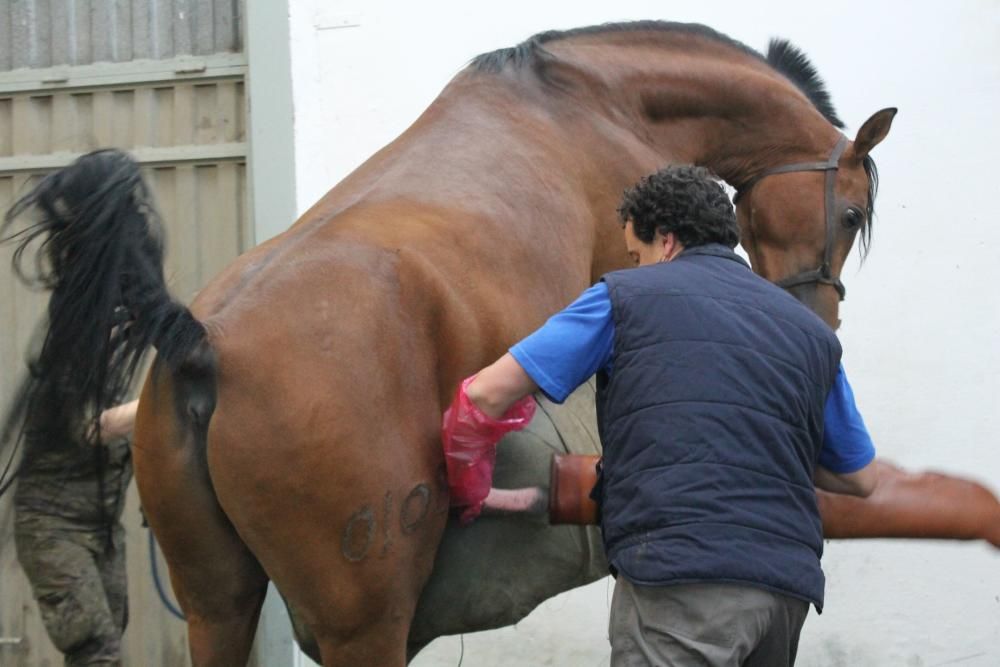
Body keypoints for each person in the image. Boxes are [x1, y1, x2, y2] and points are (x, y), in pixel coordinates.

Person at [441, 165, 878, 666]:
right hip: (784, 590)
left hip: (681, 576)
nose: (637, 266)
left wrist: (467, 484)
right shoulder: (812, 334)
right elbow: (859, 476)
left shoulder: (625, 298)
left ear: (666, 242)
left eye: (637, 254)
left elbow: (486, 396)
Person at [13, 393, 136, 666]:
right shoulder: (64, 372)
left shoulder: (114, 380)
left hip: (104, 532)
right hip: (53, 530)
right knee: (95, 645)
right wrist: (157, 400)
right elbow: (94, 428)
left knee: (108, 639)